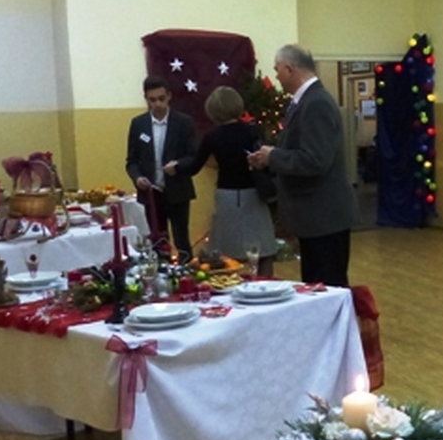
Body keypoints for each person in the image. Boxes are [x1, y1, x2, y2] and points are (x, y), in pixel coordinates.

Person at [248, 45, 357, 287]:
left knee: (327, 288)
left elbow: (315, 160)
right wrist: (268, 158)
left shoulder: (316, 103)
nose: (276, 76)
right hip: (314, 219)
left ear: (290, 69)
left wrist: (274, 156)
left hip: (324, 217)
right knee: (315, 286)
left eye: (277, 70)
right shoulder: (304, 101)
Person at [184, 86, 277, 277]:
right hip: (253, 195)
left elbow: (194, 166)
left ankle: (228, 287)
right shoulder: (252, 131)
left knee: (223, 255)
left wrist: (175, 167)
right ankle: (265, 284)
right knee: (263, 251)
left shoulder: (211, 137)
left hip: (226, 196)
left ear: (213, 110)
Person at [125, 75, 198, 259]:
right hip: (151, 193)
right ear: (146, 99)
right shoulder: (138, 124)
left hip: (177, 191)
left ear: (169, 96)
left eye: (161, 99)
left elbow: (193, 156)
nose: (157, 104)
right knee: (157, 242)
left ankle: (186, 272)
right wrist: (137, 178)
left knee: (182, 240)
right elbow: (132, 161)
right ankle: (160, 273)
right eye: (152, 100)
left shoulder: (184, 122)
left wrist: (178, 165)